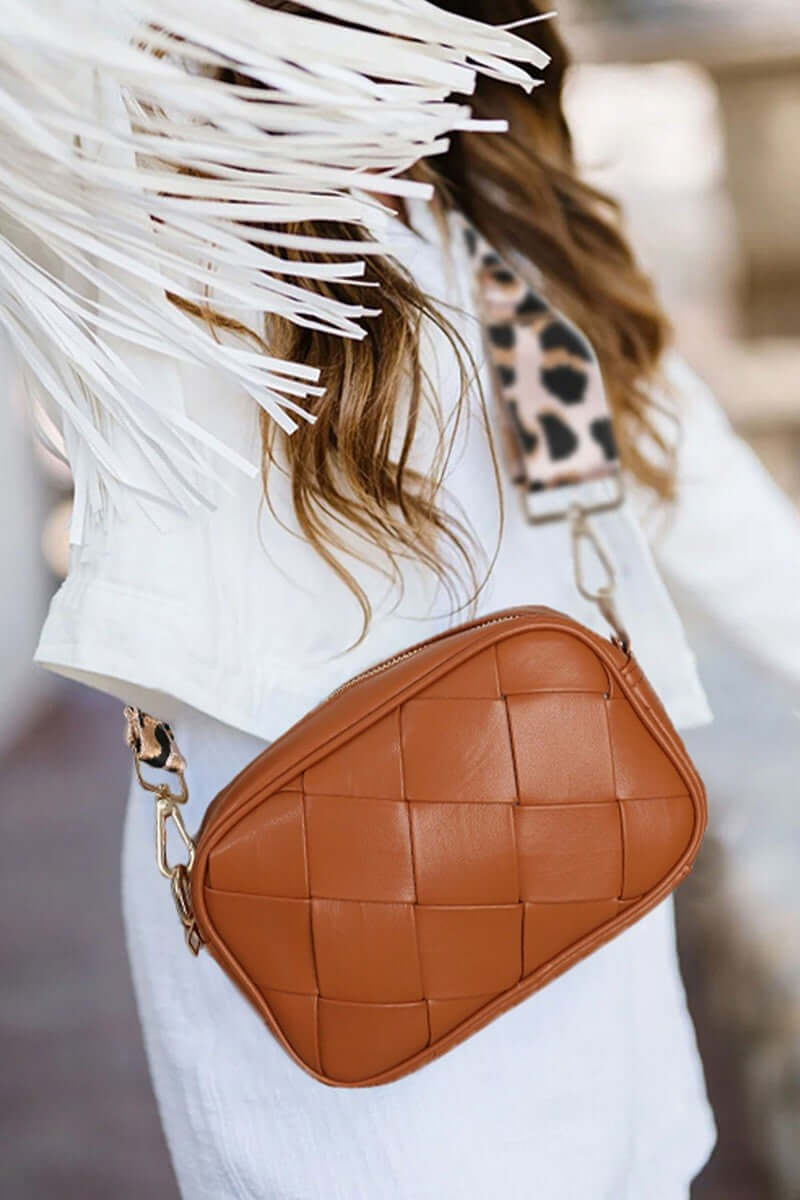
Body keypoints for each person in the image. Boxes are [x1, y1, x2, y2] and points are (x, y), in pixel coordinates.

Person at [7, 1, 800, 1197]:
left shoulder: (497, 225)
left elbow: (693, 486)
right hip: (329, 949)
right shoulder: (150, 237)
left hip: (577, 900)